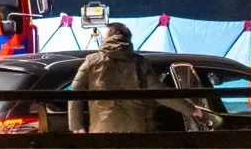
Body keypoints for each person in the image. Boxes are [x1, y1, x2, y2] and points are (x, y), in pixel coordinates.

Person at [67, 22, 207, 134]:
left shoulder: (92, 61)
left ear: (107, 39)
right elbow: (160, 92)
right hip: (134, 130)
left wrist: (76, 126)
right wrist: (191, 109)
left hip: (102, 130)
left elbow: (75, 91)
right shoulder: (140, 63)